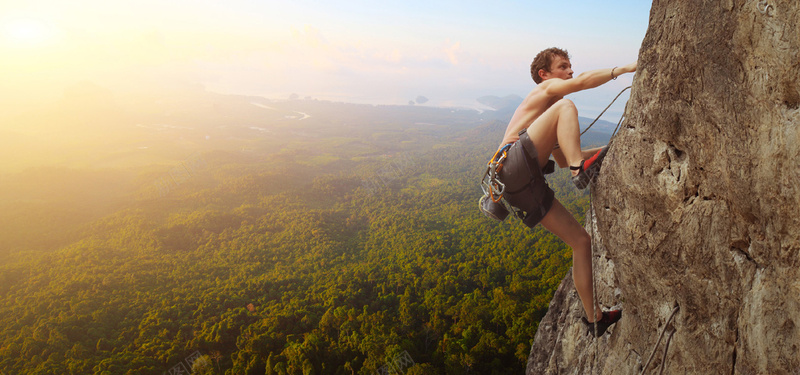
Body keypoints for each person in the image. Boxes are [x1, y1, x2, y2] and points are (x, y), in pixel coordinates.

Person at [495, 47, 636, 337]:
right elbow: (582, 83)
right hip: (512, 164)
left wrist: (615, 146)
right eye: (563, 66)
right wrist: (621, 70)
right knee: (567, 105)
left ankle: (594, 317)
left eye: (571, 66)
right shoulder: (546, 92)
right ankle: (581, 170)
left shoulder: (547, 121)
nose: (570, 71)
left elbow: (563, 159)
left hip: (519, 186)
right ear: (544, 74)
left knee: (581, 242)